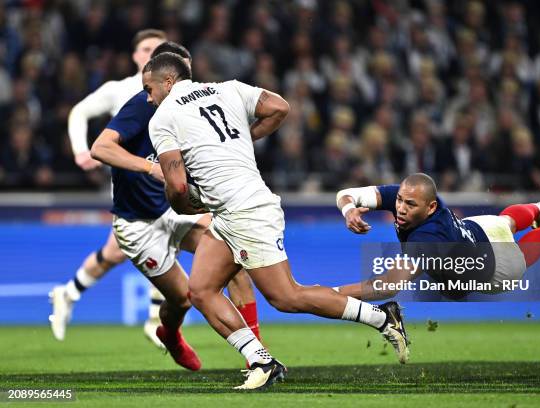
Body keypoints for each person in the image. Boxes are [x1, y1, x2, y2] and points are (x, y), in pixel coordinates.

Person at [144, 52, 409, 390]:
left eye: (149, 88)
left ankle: (383, 316)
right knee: (201, 290)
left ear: (168, 82)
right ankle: (261, 361)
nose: (148, 97)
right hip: (234, 211)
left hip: (246, 212)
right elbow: (280, 107)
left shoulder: (163, 117)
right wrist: (242, 139)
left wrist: (181, 205)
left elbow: (178, 185)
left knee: (287, 297)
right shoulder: (228, 89)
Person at [88, 41, 261, 369]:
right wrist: (149, 167)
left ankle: (257, 355)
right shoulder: (143, 105)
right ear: (164, 78)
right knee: (181, 299)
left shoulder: (195, 106)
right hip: (137, 224)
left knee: (235, 258)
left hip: (174, 208)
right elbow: (101, 148)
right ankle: (170, 334)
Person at [49, 29, 170, 347]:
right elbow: (79, 112)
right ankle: (156, 318)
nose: (151, 53)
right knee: (161, 238)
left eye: (159, 48)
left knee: (116, 252)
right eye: (146, 48)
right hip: (133, 183)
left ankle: (68, 293)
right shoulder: (121, 90)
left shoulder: (173, 91)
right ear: (134, 55)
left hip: (162, 178)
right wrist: (80, 150)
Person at [333, 173, 540, 300]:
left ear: (430, 207)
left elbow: (387, 286)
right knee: (506, 221)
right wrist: (348, 210)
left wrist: (334, 293)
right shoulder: (411, 195)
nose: (400, 208)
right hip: (475, 230)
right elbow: (346, 193)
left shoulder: (428, 240)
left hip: (492, 267)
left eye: (409, 204)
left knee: (521, 258)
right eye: (399, 200)